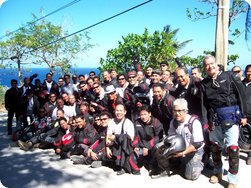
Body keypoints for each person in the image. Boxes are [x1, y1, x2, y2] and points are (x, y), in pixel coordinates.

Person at [201, 55, 247, 188]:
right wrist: (206, 122)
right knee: (215, 148)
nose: (210, 67)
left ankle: (233, 180)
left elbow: (241, 96)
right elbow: (204, 105)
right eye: (207, 65)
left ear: (216, 63)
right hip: (214, 121)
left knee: (233, 149)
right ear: (205, 68)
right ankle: (217, 172)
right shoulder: (204, 83)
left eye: (212, 63)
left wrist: (243, 116)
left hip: (231, 118)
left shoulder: (230, 76)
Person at [168, 98, 204, 180]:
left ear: (186, 111)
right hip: (180, 149)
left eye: (179, 111)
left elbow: (198, 144)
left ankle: (201, 162)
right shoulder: (173, 122)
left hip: (193, 150)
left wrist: (183, 153)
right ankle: (182, 162)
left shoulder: (194, 122)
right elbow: (171, 138)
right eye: (175, 110)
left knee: (190, 176)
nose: (177, 113)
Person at [105, 104, 140, 175]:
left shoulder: (128, 123)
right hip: (115, 144)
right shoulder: (111, 122)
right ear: (114, 111)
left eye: (121, 110)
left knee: (125, 139)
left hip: (126, 146)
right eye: (117, 110)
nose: (119, 112)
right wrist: (107, 148)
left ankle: (123, 166)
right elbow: (108, 136)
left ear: (125, 112)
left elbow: (130, 139)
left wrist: (115, 137)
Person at [133, 105, 164, 173]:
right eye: (141, 115)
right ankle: (144, 159)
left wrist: (147, 147)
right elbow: (135, 136)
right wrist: (136, 146)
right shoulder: (136, 122)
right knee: (134, 160)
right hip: (141, 147)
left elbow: (159, 137)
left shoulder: (156, 122)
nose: (143, 117)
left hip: (151, 147)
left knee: (154, 158)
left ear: (150, 114)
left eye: (145, 114)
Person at [241, 64, 251, 165]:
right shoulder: (240, 83)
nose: (250, 73)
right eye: (248, 71)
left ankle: (250, 155)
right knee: (241, 135)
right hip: (241, 113)